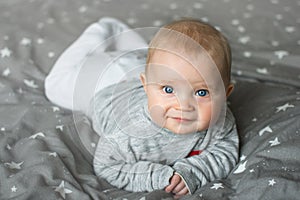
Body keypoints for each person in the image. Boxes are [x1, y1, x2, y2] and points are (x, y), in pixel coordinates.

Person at [45, 17, 239, 198]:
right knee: (54, 85)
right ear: (146, 87)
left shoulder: (220, 120)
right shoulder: (129, 131)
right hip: (103, 81)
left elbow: (225, 150)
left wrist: (192, 172)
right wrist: (160, 176)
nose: (183, 106)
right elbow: (107, 166)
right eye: (169, 90)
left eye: (202, 93)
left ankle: (142, 58)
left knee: (155, 61)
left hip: (147, 68)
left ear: (226, 94)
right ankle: (106, 27)